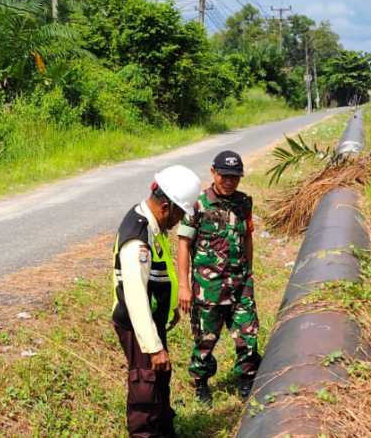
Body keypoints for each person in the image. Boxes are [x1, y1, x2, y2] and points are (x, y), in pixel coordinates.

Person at [111, 165, 201, 438]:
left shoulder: (152, 223)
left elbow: (160, 273)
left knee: (160, 381)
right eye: (180, 214)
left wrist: (169, 306)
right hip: (139, 327)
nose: (179, 221)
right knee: (145, 390)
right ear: (165, 207)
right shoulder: (138, 240)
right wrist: (152, 347)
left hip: (152, 321)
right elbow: (135, 296)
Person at [176, 150, 262, 406]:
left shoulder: (244, 202)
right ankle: (201, 384)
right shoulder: (197, 204)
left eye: (234, 177)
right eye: (224, 176)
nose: (229, 181)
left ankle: (246, 380)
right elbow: (183, 244)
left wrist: (250, 272)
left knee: (248, 334)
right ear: (213, 173)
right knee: (205, 339)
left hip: (240, 284)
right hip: (207, 287)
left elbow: (247, 236)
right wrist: (184, 286)